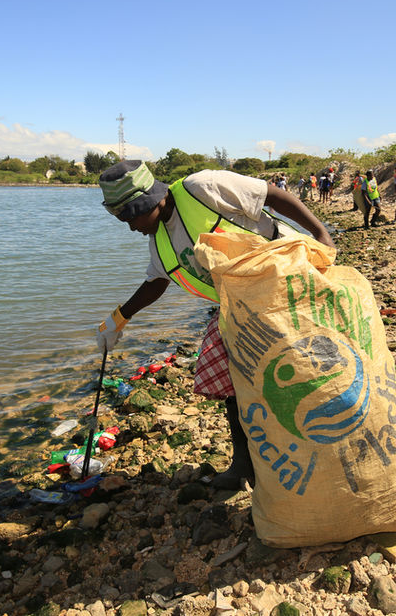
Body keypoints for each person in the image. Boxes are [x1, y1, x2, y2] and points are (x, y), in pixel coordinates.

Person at [95, 160, 334, 491]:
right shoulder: (160, 243)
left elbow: (272, 196)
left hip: (290, 275)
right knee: (233, 379)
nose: (130, 226)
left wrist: (320, 233)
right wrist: (117, 319)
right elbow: (155, 282)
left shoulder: (203, 187)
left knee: (310, 367)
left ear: (149, 201)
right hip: (244, 306)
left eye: (130, 217)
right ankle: (244, 467)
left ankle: (325, 448)